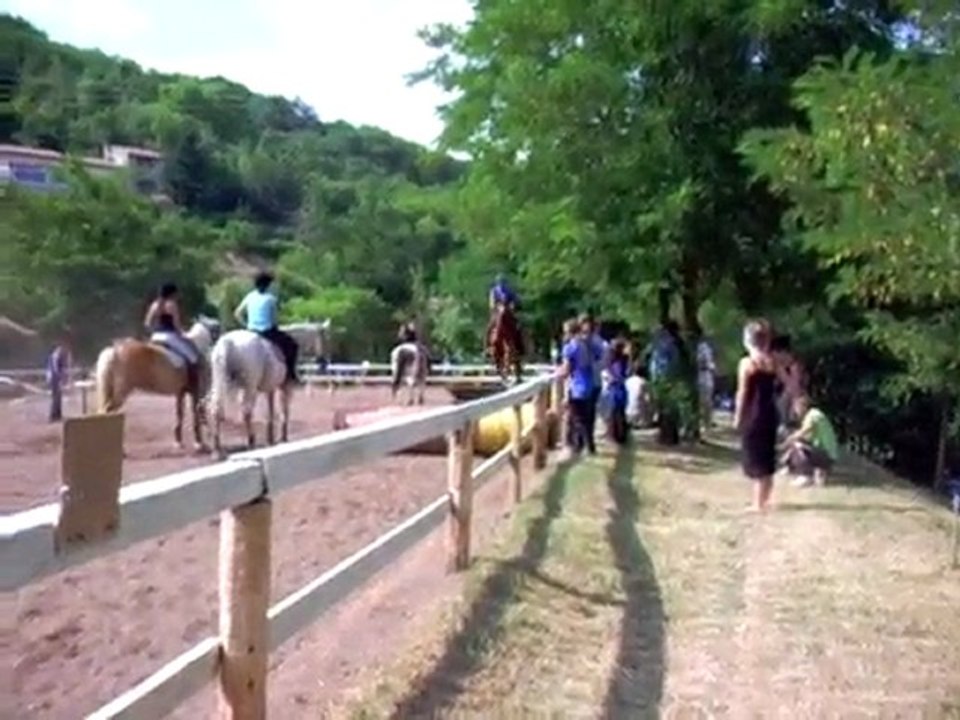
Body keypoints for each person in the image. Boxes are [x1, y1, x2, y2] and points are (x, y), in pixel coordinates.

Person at [734, 319, 780, 512]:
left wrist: (738, 416)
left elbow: (743, 392)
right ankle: (766, 498)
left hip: (754, 414)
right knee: (767, 456)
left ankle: (758, 503)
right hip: (771, 412)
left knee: (756, 458)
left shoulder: (747, 363)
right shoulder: (772, 361)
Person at [234, 272, 300, 385]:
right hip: (266, 331)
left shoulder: (250, 296)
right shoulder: (271, 299)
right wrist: (276, 325)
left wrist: (245, 325)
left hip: (251, 330)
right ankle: (290, 373)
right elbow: (274, 319)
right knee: (292, 345)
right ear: (267, 285)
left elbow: (237, 313)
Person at [144, 282, 202, 395]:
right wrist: (185, 336)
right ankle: (192, 385)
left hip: (155, 337)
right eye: (176, 293)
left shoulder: (155, 305)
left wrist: (153, 332)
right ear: (172, 294)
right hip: (169, 337)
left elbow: (147, 323)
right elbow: (176, 325)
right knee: (193, 358)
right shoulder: (172, 304)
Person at [559, 314, 599, 456]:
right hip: (589, 384)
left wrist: (559, 373)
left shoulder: (570, 347)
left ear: (570, 332)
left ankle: (577, 447)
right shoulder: (587, 344)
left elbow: (566, 368)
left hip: (577, 387)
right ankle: (590, 447)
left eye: (565, 332)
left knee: (577, 419)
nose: (564, 335)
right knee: (588, 419)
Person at [781, 395, 839, 487]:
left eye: (796, 408)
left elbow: (804, 432)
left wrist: (785, 443)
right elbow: (807, 438)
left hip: (826, 455)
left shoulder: (813, 415)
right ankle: (791, 468)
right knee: (797, 443)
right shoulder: (813, 415)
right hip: (827, 455)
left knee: (797, 444)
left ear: (803, 406)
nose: (796, 411)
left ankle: (805, 476)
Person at [607, 338, 631, 444]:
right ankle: (620, 434)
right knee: (620, 412)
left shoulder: (611, 361)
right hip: (620, 387)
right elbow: (626, 373)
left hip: (615, 387)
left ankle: (615, 434)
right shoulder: (624, 360)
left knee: (615, 411)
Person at [694, 324, 717, 431]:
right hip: (702, 374)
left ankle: (706, 422)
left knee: (705, 400)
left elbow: (705, 362)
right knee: (703, 401)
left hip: (704, 374)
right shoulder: (701, 347)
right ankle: (704, 422)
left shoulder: (703, 347)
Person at [46, 332, 71, 422]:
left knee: (58, 397)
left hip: (54, 377)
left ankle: (58, 415)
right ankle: (53, 416)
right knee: (56, 397)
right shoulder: (57, 354)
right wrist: (60, 378)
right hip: (55, 378)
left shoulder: (57, 354)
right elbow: (56, 368)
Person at [626, 361, 651, 428]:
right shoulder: (643, 382)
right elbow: (648, 399)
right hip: (640, 414)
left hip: (628, 413)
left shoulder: (627, 381)